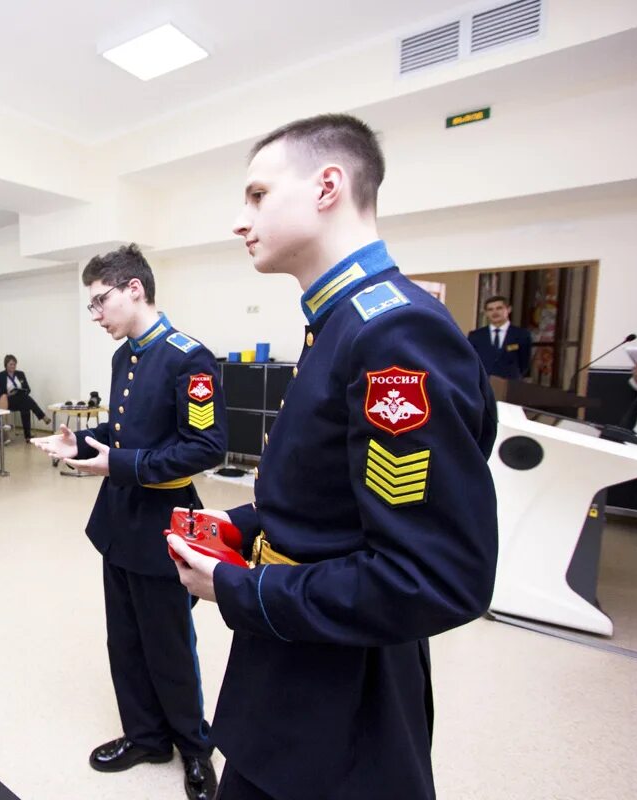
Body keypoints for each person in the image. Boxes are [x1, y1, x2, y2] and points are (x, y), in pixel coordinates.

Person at [167, 113, 498, 800]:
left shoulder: (394, 333)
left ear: (327, 187)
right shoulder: (340, 323)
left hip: (341, 701)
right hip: (297, 663)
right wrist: (246, 529)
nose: (240, 219)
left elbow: (433, 575)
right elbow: (338, 501)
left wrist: (241, 589)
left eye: (257, 195)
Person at [31, 243, 226, 800]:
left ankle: (193, 746)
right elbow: (127, 433)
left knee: (168, 641)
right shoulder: (125, 355)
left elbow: (206, 447)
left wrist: (119, 462)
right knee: (125, 637)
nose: (95, 316)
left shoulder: (188, 357)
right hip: (119, 519)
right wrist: (83, 441)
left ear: (133, 289)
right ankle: (145, 736)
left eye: (100, 301)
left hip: (164, 519)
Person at [467, 294, 533, 379]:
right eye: (490, 309)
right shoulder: (475, 336)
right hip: (483, 384)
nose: (495, 313)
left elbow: (525, 363)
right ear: (486, 313)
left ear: (508, 309)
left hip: (511, 384)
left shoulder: (522, 335)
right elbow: (471, 361)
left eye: (499, 308)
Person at [0, 354, 51, 440]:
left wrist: (22, 391)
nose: (13, 366)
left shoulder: (20, 374)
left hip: (21, 400)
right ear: (6, 365)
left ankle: (28, 436)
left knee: (25, 405)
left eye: (14, 364)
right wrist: (9, 393)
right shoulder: (0, 376)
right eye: (11, 364)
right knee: (26, 400)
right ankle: (42, 417)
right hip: (8, 401)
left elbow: (28, 389)